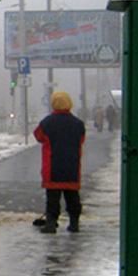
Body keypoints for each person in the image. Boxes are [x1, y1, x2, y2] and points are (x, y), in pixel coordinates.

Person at [33, 91, 86, 234]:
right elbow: (81, 140)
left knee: (53, 198)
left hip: (52, 166)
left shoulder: (47, 123)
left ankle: (51, 223)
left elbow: (38, 136)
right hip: (72, 166)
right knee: (72, 196)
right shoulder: (78, 124)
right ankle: (74, 223)